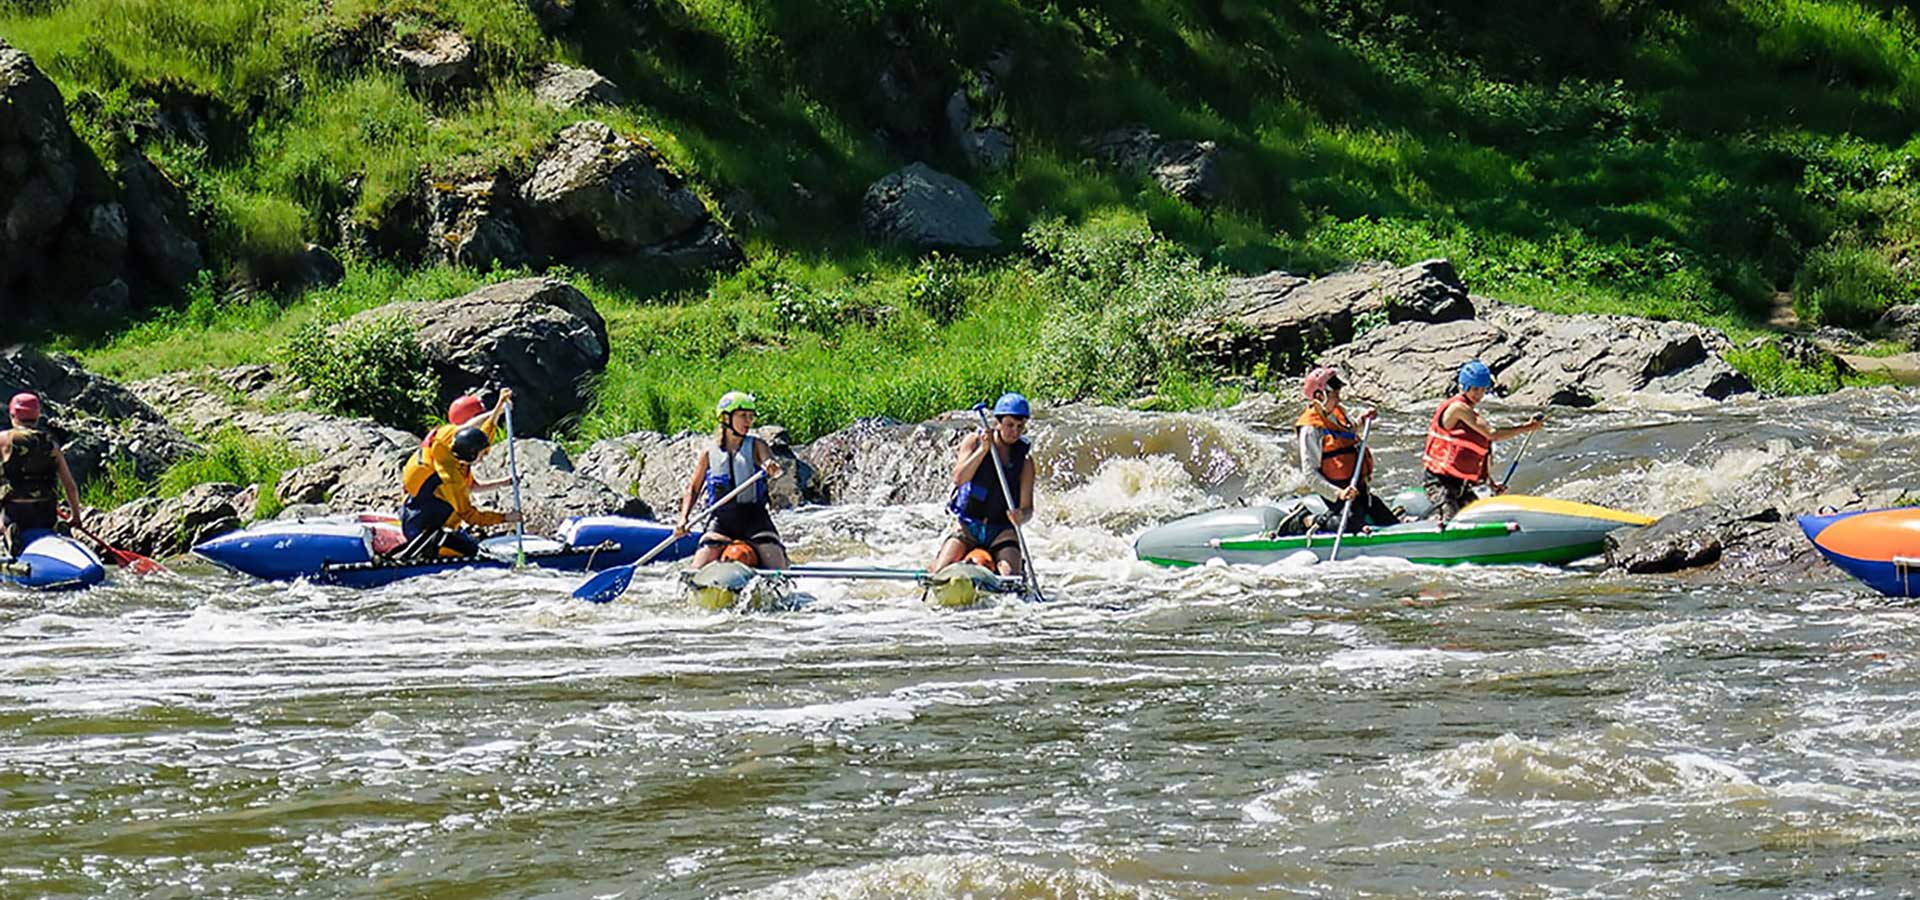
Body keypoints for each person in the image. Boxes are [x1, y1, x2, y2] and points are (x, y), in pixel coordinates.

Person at [675, 391, 789, 570]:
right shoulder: (709, 453)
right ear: (726, 418)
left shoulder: (757, 445)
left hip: (754, 518)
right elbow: (693, 489)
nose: (748, 421)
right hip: (722, 519)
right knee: (696, 570)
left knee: (777, 568)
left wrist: (770, 465)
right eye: (743, 416)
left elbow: (768, 461)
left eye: (750, 417)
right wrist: (683, 519)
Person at [1421, 360, 1544, 523]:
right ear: (1464, 387)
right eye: (1475, 389)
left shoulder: (1472, 419)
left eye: (1483, 390)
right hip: (1440, 482)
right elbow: (1492, 433)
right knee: (1451, 520)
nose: (1479, 394)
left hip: (1462, 485)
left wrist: (1492, 485)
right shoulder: (1458, 408)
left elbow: (1482, 458)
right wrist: (1527, 428)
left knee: (1481, 518)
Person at [930, 392, 1036, 577]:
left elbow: (1028, 509)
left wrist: (1021, 516)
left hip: (1001, 530)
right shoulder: (974, 442)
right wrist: (983, 451)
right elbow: (959, 478)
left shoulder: (1025, 462)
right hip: (968, 525)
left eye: (1020, 426)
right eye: (1010, 425)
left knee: (1011, 578)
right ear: (998, 422)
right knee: (941, 572)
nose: (1015, 432)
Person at [395, 425, 522, 559]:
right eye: (483, 454)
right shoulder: (451, 479)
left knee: (471, 543)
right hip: (423, 532)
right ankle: (419, 553)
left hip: (414, 515)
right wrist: (505, 517)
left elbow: (472, 486)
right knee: (471, 551)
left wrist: (503, 483)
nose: (484, 458)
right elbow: (470, 516)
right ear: (472, 454)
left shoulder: (449, 452)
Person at [1296, 367, 1396, 533]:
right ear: (1319, 396)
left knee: (1388, 521)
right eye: (1334, 394)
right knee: (1351, 524)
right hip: (1336, 491)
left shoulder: (1335, 413)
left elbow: (1346, 433)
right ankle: (1305, 520)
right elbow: (1310, 475)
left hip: (1356, 488)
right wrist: (1339, 493)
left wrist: (1362, 420)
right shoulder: (1311, 430)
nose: (1338, 398)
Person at [0, 393, 82, 559]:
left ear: (12, 415)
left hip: (15, 512)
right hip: (46, 512)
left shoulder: (4, 439)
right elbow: (70, 485)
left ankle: (8, 532)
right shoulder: (50, 442)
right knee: (47, 517)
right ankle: (57, 532)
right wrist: (75, 517)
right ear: (37, 416)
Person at [405, 390, 515, 497]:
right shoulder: (444, 434)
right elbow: (466, 428)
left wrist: (504, 482)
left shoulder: (463, 450)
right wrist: (496, 411)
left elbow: (472, 487)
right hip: (422, 493)